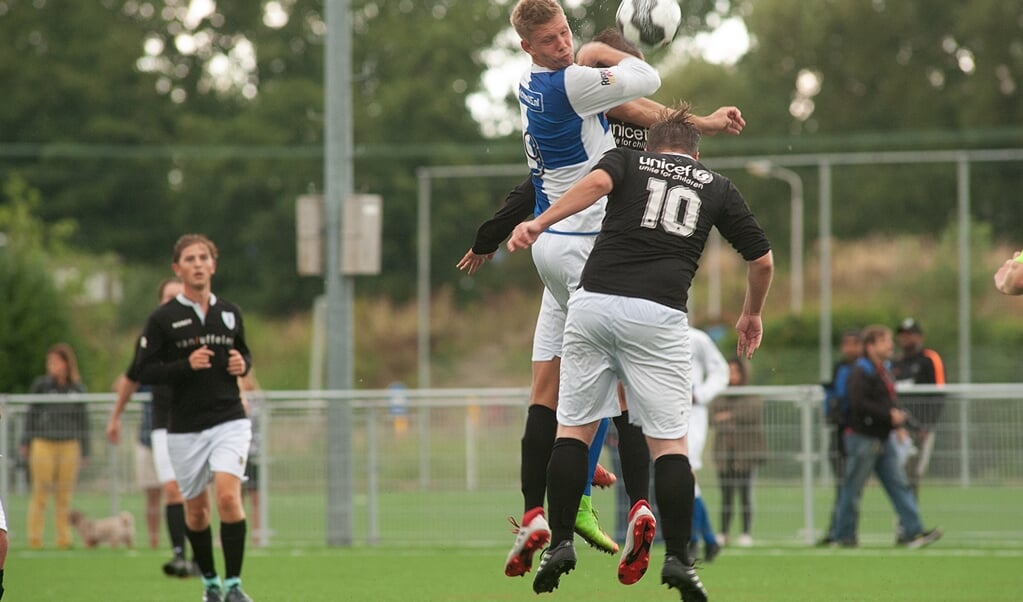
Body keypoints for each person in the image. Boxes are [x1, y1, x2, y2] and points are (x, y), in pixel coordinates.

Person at [480, 7, 746, 576]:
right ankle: (629, 505)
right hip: (590, 246)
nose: (561, 44)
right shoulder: (588, 88)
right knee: (624, 389)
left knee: (548, 387)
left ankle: (536, 513)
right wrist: (699, 120)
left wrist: (498, 231)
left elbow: (640, 107)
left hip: (549, 244)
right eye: (551, 39)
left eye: (565, 36)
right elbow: (646, 101)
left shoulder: (533, 85)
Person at [507, 101, 774, 599]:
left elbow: (592, 187)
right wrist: (750, 313)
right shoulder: (717, 186)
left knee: (574, 432)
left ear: (651, 144)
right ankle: (679, 559)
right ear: (695, 152)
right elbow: (761, 260)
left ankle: (559, 543)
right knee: (670, 444)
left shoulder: (628, 161)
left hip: (593, 304)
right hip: (659, 316)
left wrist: (540, 223)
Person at [135, 234, 254, 602]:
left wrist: (242, 364)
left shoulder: (230, 312)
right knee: (197, 511)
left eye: (204, 257)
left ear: (213, 266)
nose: (198, 264)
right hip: (184, 426)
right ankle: (210, 584)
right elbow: (144, 370)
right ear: (178, 268)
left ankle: (234, 585)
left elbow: (244, 356)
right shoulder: (163, 319)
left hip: (230, 419)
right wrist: (185, 365)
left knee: (228, 499)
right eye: (190, 258)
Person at [107, 277, 199, 577]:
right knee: (172, 489)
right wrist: (115, 416)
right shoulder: (150, 338)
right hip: (164, 423)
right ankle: (179, 556)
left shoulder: (198, 332)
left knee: (197, 495)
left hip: (199, 422)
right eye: (167, 297)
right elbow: (132, 377)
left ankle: (201, 557)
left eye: (178, 296)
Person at [828, 324, 943, 549]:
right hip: (863, 438)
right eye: (884, 341)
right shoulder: (861, 371)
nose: (891, 345)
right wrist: (888, 416)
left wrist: (896, 423)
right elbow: (858, 403)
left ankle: (914, 531)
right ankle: (843, 535)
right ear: (870, 346)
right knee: (852, 488)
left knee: (899, 484)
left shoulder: (883, 370)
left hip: (882, 437)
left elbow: (887, 400)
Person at [20, 342, 89, 550]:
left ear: (67, 364)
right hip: (43, 443)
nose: (52, 366)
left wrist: (86, 451)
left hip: (69, 445)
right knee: (40, 491)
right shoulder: (41, 386)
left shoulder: (77, 389)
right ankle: (34, 538)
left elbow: (83, 421)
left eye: (56, 362)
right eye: (50, 362)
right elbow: (31, 415)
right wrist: (26, 441)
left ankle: (64, 538)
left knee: (64, 494)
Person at [710, 356, 766, 548]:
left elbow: (752, 412)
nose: (732, 376)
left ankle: (745, 532)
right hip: (725, 454)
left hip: (745, 454)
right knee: (726, 495)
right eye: (729, 371)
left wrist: (729, 416)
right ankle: (724, 532)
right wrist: (727, 418)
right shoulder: (720, 395)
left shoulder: (750, 395)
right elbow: (712, 415)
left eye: (736, 371)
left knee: (745, 494)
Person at [685, 327, 729, 562]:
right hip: (663, 412)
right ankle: (709, 539)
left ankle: (693, 539)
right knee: (684, 478)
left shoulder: (697, 338)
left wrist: (700, 394)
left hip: (692, 414)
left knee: (685, 473)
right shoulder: (651, 330)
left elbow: (721, 371)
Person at [890, 317, 945, 502]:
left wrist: (927, 425)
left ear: (919, 337)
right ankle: (905, 520)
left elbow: (938, 393)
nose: (906, 339)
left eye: (910, 335)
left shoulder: (929, 359)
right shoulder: (895, 363)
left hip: (919, 427)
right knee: (897, 474)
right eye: (902, 335)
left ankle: (908, 522)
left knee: (913, 473)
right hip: (898, 429)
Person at [817, 327, 861, 545]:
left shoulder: (864, 368)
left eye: (854, 343)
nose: (849, 348)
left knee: (850, 485)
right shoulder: (840, 367)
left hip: (859, 433)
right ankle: (839, 530)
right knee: (843, 484)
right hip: (840, 433)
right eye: (846, 343)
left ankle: (844, 531)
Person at [239, 372, 265, 547]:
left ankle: (257, 534)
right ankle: (233, 535)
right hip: (238, 454)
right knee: (234, 496)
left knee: (256, 497)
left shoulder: (257, 401)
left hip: (254, 454)